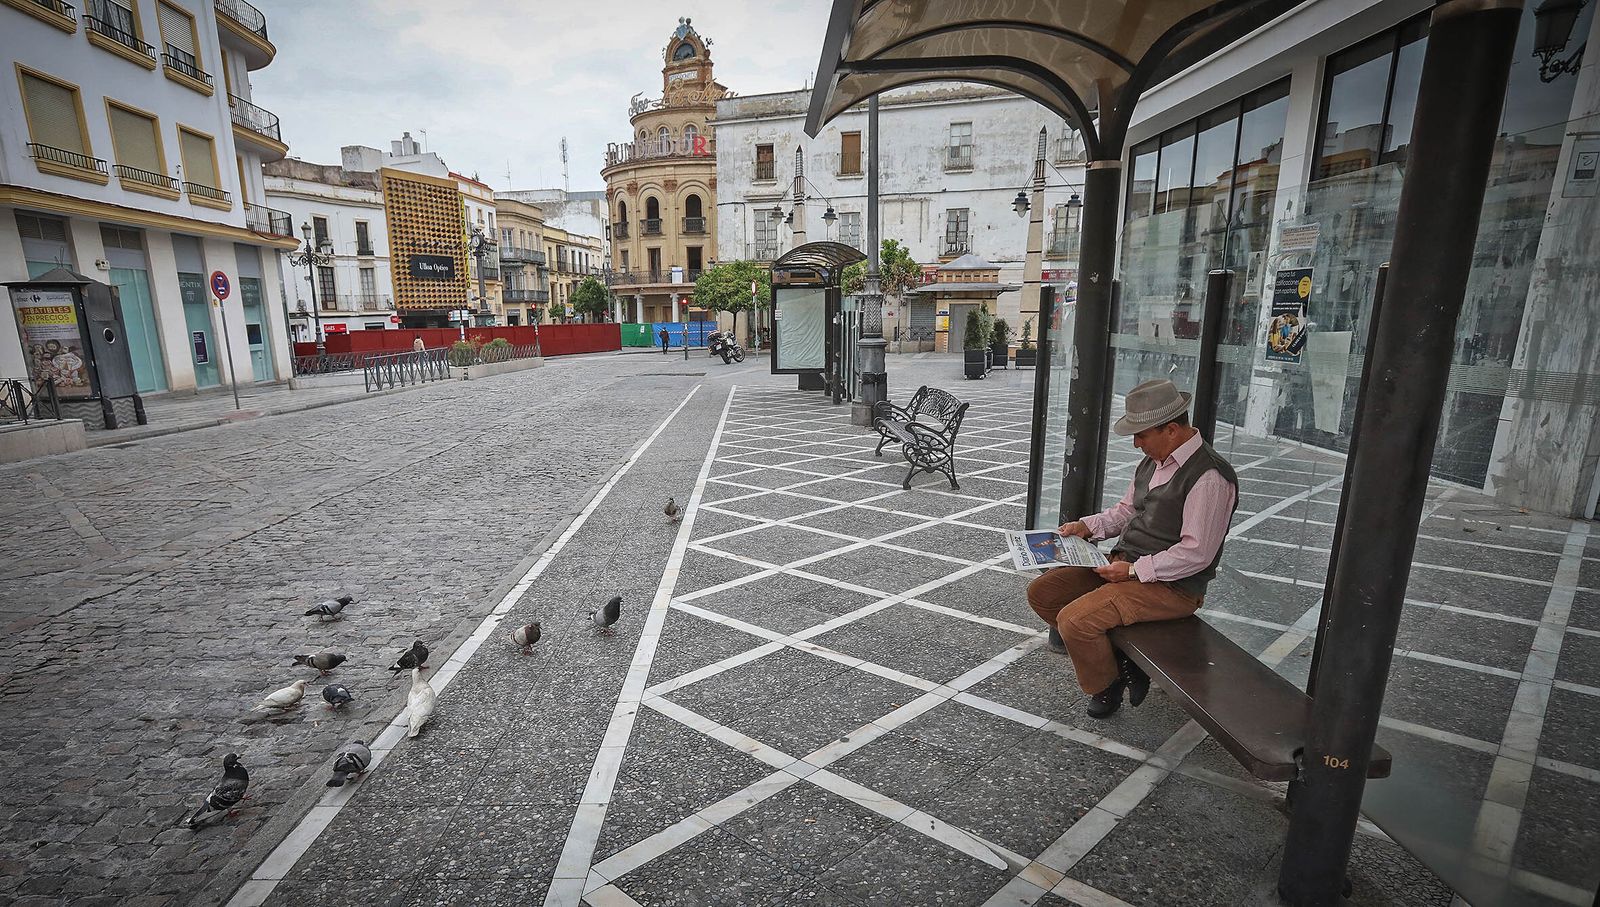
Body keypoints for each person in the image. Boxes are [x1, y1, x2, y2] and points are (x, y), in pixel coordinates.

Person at [1027, 379, 1237, 719]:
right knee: (1044, 592)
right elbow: (1127, 511)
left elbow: (1197, 553)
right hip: (1125, 565)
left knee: (1075, 620)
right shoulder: (1156, 460)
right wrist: (1088, 526)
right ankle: (1123, 662)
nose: (1136, 443)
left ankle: (1106, 685)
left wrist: (1134, 571)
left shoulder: (1209, 477)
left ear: (1171, 429)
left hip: (1172, 588)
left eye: (1141, 435)